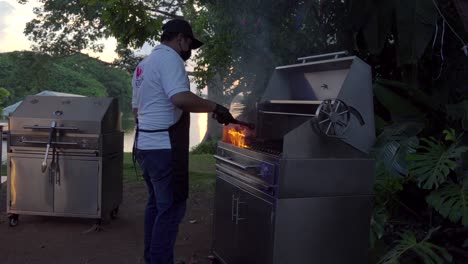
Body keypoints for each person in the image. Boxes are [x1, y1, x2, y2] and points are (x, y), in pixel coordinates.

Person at [131, 19, 234, 264]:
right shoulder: (170, 59)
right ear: (180, 39)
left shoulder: (143, 66)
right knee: (172, 208)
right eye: (189, 45)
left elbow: (136, 111)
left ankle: (152, 259)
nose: (189, 51)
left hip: (144, 147)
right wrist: (215, 107)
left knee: (157, 205)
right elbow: (180, 99)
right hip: (165, 149)